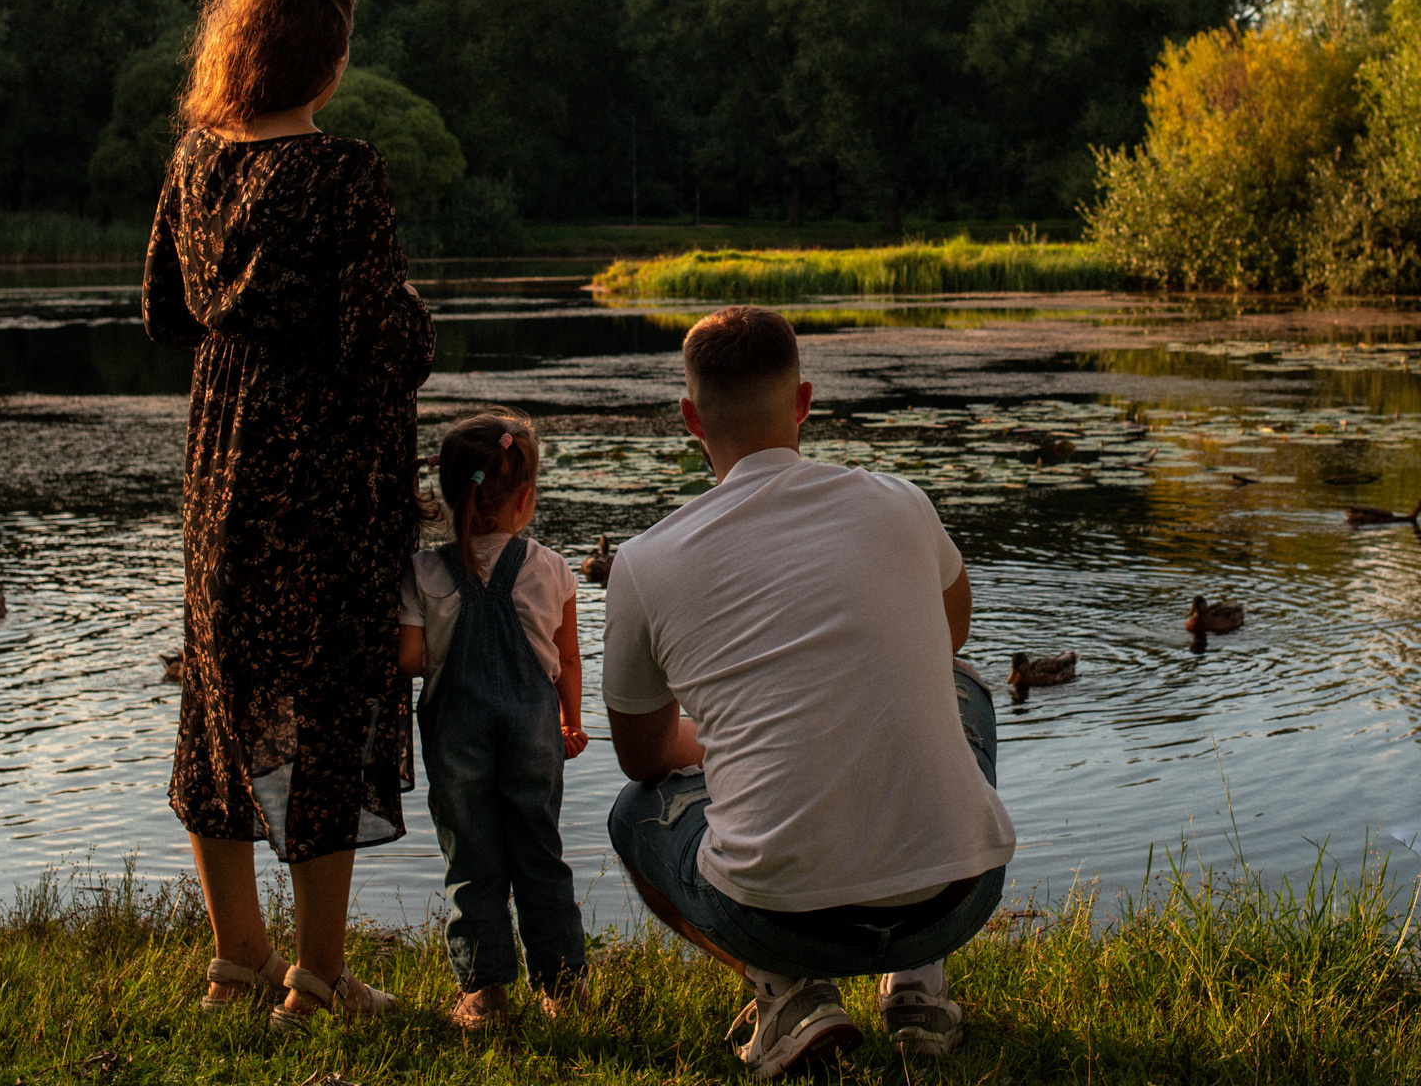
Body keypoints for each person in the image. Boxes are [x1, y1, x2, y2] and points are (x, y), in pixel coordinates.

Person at [602, 305, 1016, 1079]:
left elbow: (644, 757)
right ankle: (921, 990)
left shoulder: (643, 562)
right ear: (804, 403)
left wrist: (726, 741)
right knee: (965, 690)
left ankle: (787, 992)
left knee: (635, 816)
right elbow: (949, 639)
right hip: (959, 896)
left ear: (690, 418)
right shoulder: (902, 502)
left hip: (775, 921)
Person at [143, 0, 436, 1034]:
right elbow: (381, 344)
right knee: (329, 703)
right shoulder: (344, 172)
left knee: (216, 699)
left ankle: (236, 957)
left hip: (223, 465)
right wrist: (417, 317)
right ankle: (316, 981)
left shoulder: (195, 163)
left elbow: (168, 316)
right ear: (331, 56)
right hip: (325, 476)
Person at [397, 406, 590, 1028]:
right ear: (526, 499)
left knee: (472, 858)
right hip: (535, 734)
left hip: (456, 739)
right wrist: (570, 721)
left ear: (451, 496)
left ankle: (484, 994)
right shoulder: (551, 568)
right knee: (540, 852)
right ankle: (563, 988)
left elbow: (407, 661)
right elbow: (567, 657)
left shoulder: (424, 572)